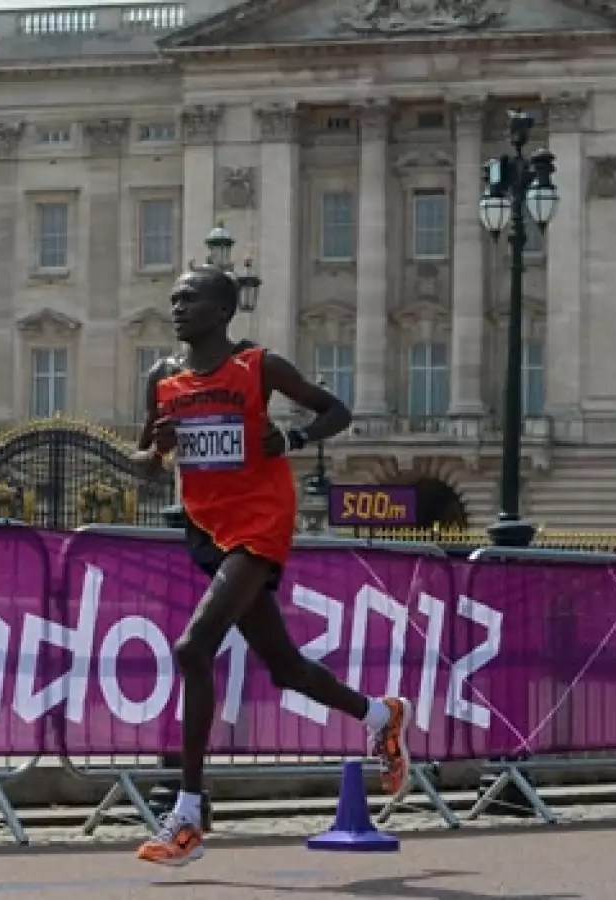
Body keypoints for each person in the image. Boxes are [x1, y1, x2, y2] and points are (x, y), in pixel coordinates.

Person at [128, 266, 413, 868]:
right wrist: (154, 442)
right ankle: (379, 714)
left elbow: (336, 410)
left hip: (260, 521)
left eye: (191, 298)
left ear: (223, 311)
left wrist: (292, 441)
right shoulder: (162, 376)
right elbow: (147, 465)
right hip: (204, 525)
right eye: (174, 298)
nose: (177, 306)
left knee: (192, 648)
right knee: (283, 668)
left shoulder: (259, 367)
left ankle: (188, 813)